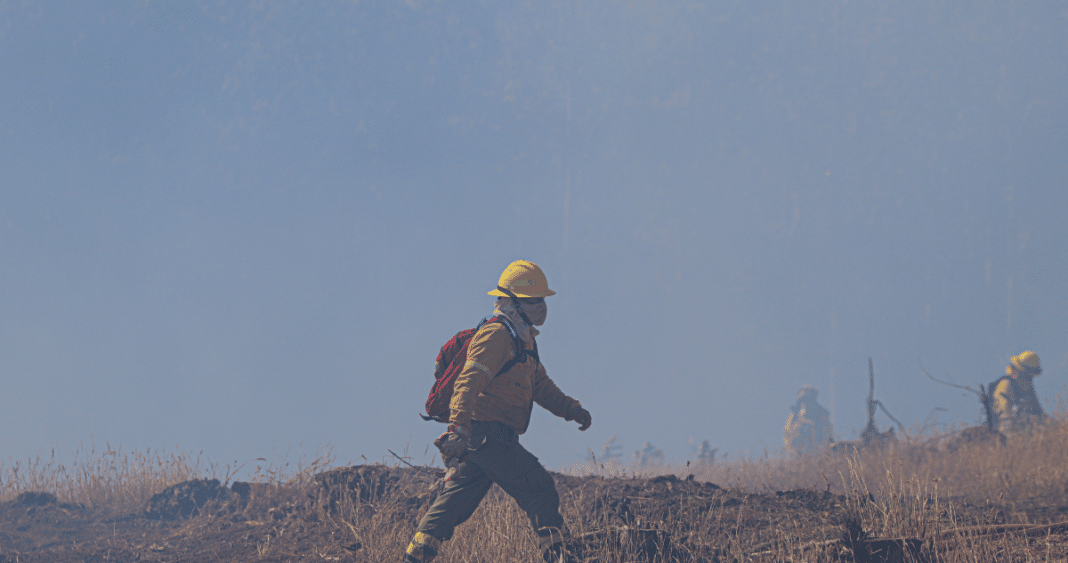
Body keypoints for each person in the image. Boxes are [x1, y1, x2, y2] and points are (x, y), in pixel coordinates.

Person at [403, 260, 592, 563]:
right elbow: (468, 381)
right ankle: (559, 557)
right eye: (533, 300)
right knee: (539, 486)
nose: (541, 306)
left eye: (542, 300)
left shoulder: (523, 339)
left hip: (490, 436)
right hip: (486, 434)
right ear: (513, 302)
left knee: (454, 502)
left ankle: (415, 557)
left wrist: (572, 409)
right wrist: (458, 429)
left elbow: (540, 385)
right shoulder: (498, 335)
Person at [992, 351, 1045, 436]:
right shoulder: (1006, 384)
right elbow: (1004, 412)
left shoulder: (1028, 389)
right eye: (1028, 376)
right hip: (1005, 433)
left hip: (1023, 430)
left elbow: (1038, 412)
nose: (1030, 380)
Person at [783, 385, 834, 455]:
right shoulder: (794, 416)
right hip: (799, 453)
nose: (806, 403)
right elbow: (788, 434)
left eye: (808, 399)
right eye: (803, 400)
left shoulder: (822, 415)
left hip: (817, 453)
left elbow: (828, 435)